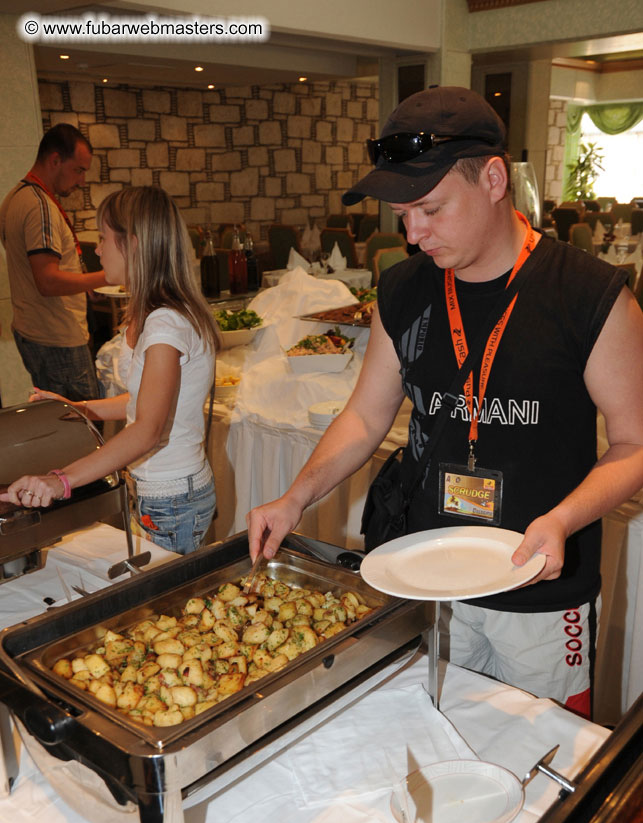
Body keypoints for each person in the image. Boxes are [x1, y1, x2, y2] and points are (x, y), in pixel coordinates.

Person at [247, 86, 643, 718]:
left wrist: (563, 520)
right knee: (442, 733)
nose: (413, 234)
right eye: (403, 215)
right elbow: (365, 414)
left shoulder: (591, 297)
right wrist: (297, 495)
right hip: (429, 571)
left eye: (429, 209)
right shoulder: (403, 290)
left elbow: (634, 444)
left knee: (547, 752)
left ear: (492, 179)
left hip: (539, 586)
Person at [1, 185, 219, 556]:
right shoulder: (162, 313)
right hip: (166, 493)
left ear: (133, 244)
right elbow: (141, 402)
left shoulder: (166, 324)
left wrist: (60, 482)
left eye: (103, 238)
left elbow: (147, 430)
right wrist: (76, 407)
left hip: (172, 499)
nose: (97, 249)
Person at [0, 123, 106, 401]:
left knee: (61, 422)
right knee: (82, 428)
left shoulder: (14, 198)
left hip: (33, 331)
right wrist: (107, 277)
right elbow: (46, 280)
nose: (82, 181)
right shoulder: (40, 206)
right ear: (55, 159)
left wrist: (83, 285)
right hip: (57, 338)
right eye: (79, 170)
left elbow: (28, 266)